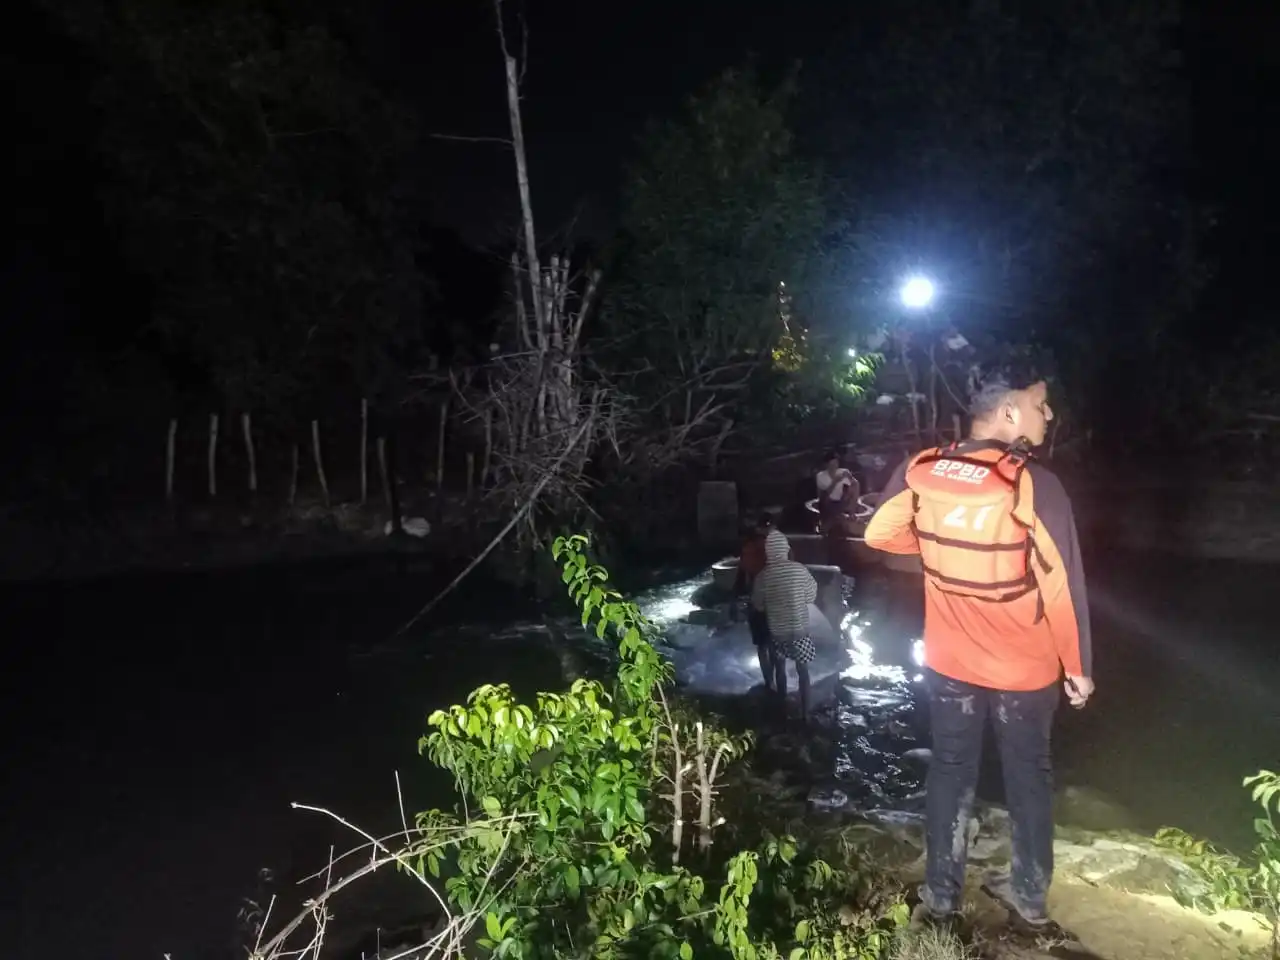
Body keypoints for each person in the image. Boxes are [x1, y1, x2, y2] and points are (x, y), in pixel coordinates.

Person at [863, 367, 1093, 946]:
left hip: (949, 661)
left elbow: (879, 537)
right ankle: (1030, 910)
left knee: (949, 771)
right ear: (1010, 412)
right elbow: (1061, 583)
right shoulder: (1035, 483)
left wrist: (939, 549)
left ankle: (940, 904)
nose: (1048, 416)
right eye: (1041, 405)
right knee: (1029, 778)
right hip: (1024, 670)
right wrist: (1079, 667)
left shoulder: (922, 470)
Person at [751, 529, 818, 722]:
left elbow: (758, 605)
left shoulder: (763, 577)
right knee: (803, 671)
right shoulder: (799, 569)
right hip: (800, 632)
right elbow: (811, 596)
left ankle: (782, 710)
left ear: (768, 552)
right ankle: (805, 714)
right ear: (786, 549)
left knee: (779, 669)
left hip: (777, 633)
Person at [735, 514, 777, 691]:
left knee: (762, 645)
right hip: (775, 602)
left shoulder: (748, 549)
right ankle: (774, 679)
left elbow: (742, 577)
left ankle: (768, 680)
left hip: (756, 602)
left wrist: (735, 600)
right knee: (774, 644)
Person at [815, 450, 861, 528]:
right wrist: (835, 481)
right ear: (827, 464)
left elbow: (856, 484)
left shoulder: (843, 471)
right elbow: (824, 495)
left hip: (841, 500)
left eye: (836, 463)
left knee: (853, 487)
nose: (834, 466)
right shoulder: (821, 475)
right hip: (828, 502)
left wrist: (851, 477)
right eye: (831, 464)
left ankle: (851, 514)